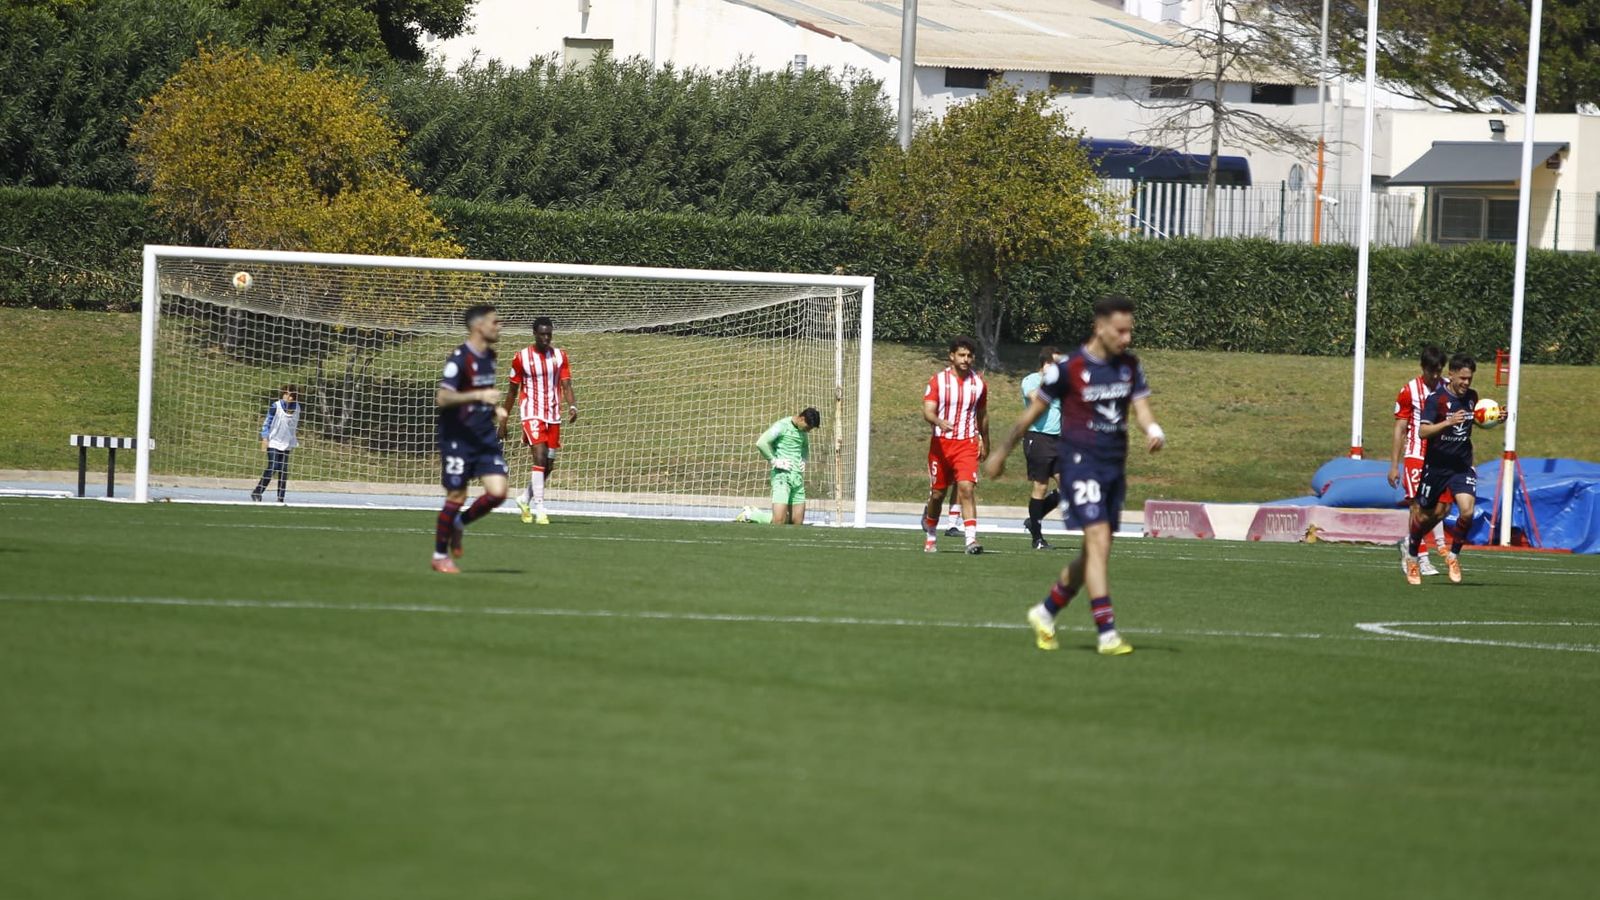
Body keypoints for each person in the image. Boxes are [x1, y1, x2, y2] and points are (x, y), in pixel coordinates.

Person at [984, 295, 1165, 657]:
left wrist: (1153, 429)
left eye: (1130, 331)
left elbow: (1142, 409)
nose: (1127, 338)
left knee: (1094, 553)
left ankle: (1045, 611)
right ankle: (1107, 632)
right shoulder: (1069, 369)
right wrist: (1001, 451)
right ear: (1100, 327)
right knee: (1097, 541)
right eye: (1121, 331)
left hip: (1113, 467)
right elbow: (1031, 414)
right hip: (1079, 464)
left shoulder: (1129, 366)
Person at [1403, 352, 1499, 585]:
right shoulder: (1436, 399)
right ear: (1451, 374)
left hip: (1461, 466)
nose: (1466, 383)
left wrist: (1497, 417)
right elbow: (1422, 432)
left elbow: (1477, 418)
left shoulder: (1473, 397)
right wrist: (1447, 422)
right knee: (1426, 516)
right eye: (1462, 378)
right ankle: (1413, 556)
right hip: (1436, 467)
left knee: (1467, 511)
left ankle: (1453, 556)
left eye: (1470, 379)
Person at [432, 304, 509, 574]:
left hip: (483, 435)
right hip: (458, 437)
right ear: (479, 326)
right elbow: (443, 398)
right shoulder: (459, 358)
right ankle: (440, 555)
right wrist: (477, 397)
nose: (499, 326)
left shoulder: (490, 356)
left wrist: (493, 409)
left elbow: (482, 392)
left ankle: (459, 524)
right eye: (495, 322)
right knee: (457, 494)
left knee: (499, 492)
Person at [499, 316, 577, 526]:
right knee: (540, 458)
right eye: (542, 334)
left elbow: (567, 384)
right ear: (534, 333)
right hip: (531, 413)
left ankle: (525, 498)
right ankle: (540, 509)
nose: (546, 338)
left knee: (549, 465)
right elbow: (512, 392)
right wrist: (503, 421)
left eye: (549, 334)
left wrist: (572, 406)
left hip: (553, 414)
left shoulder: (560, 356)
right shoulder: (521, 358)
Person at [920, 336, 989, 554]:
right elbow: (927, 411)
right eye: (961, 355)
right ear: (951, 356)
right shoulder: (938, 381)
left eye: (969, 355)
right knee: (938, 494)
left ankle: (971, 540)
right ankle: (931, 533)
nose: (965, 359)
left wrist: (985, 441)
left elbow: (982, 415)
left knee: (966, 488)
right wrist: (939, 421)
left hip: (967, 444)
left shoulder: (978, 384)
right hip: (941, 445)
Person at [1387, 345, 1447, 577]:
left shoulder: (1446, 389)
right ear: (1423, 368)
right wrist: (1394, 465)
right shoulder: (1409, 390)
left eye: (1439, 371)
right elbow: (1400, 427)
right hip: (1415, 454)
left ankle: (1410, 542)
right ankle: (1420, 556)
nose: (1435, 376)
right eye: (1431, 371)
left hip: (1440, 456)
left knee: (1440, 507)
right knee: (1417, 506)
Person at [738, 407, 821, 525]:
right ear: (802, 418)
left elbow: (805, 446)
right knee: (779, 521)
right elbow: (761, 443)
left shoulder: (802, 431)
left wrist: (804, 459)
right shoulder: (782, 426)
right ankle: (751, 514)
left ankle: (757, 513)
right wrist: (774, 461)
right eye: (808, 428)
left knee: (797, 522)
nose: (808, 431)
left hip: (797, 479)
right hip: (782, 477)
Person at [1019, 346, 1064, 550]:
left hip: (1058, 439)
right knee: (1041, 486)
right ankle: (1037, 538)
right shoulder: (1031, 380)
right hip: (1037, 437)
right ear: (1045, 364)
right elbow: (1036, 398)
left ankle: (1033, 519)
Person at [250, 384, 300, 503]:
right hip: (273, 441)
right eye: (287, 394)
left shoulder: (297, 408)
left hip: (287, 442)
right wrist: (265, 438)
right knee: (273, 467)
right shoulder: (275, 406)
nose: (289, 397)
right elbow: (267, 422)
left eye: (292, 395)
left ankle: (280, 498)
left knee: (283, 470)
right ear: (283, 394)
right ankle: (257, 492)